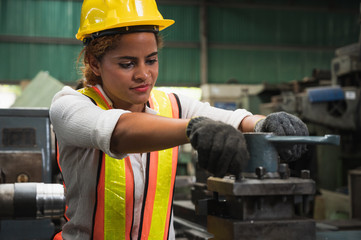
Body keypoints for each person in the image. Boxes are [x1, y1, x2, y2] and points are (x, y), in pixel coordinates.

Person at [50, 0, 309, 239]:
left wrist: (265, 124)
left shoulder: (172, 104)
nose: (144, 74)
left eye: (151, 60)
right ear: (94, 62)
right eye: (127, 64)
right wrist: (194, 128)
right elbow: (118, 131)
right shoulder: (69, 106)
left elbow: (237, 120)